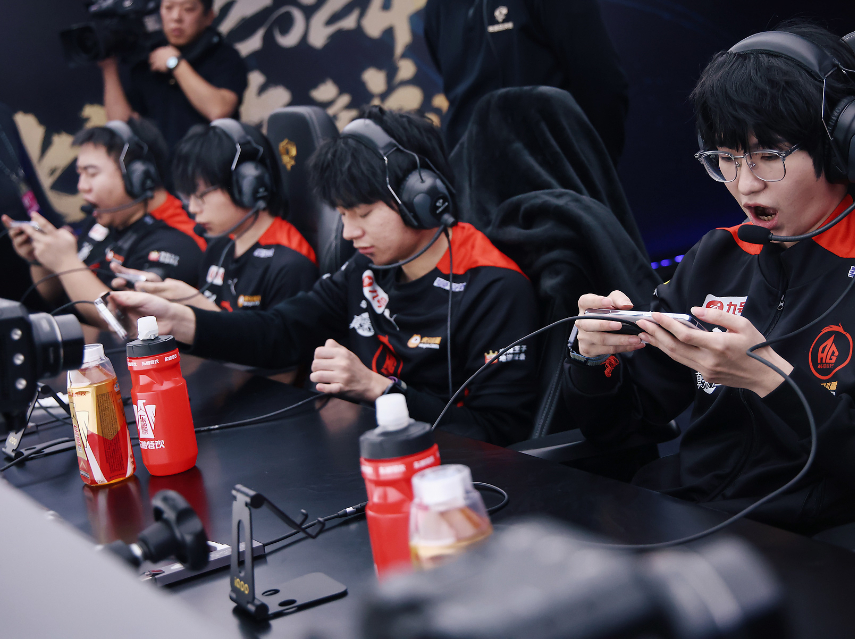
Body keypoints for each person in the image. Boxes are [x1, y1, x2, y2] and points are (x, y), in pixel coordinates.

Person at [562, 23, 855, 533]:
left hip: (821, 551)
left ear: (843, 148)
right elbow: (622, 426)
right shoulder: (719, 255)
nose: (745, 185)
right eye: (727, 158)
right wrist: (591, 359)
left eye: (769, 157)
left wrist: (773, 382)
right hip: (688, 525)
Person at [111, 107, 539, 446]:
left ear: (422, 197)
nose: (349, 234)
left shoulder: (495, 288)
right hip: (367, 454)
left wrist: (378, 389)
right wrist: (181, 320)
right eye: (343, 215)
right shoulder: (367, 268)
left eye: (363, 214)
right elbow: (280, 330)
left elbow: (499, 433)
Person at [1, 118, 203, 327]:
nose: (81, 186)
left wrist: (65, 261)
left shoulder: (181, 238)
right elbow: (52, 293)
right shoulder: (105, 218)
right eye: (80, 174)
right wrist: (41, 259)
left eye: (91, 173)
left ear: (138, 175)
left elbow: (127, 323)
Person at [424, 0, 629, 164]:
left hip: (553, 176)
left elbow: (602, 85)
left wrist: (591, 171)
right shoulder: (438, 7)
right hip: (473, 180)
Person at [111, 119, 319, 314]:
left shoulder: (291, 264)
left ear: (248, 184)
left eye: (201, 195)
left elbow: (278, 341)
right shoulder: (219, 248)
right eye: (188, 197)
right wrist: (163, 295)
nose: (193, 208)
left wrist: (196, 306)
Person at [99, 0, 248, 150]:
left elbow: (219, 111)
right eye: (168, 8)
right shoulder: (145, 60)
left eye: (188, 9)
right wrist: (109, 68)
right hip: (161, 164)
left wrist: (175, 63)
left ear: (208, 17)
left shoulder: (224, 56)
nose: (176, 17)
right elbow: (121, 127)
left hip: (212, 161)